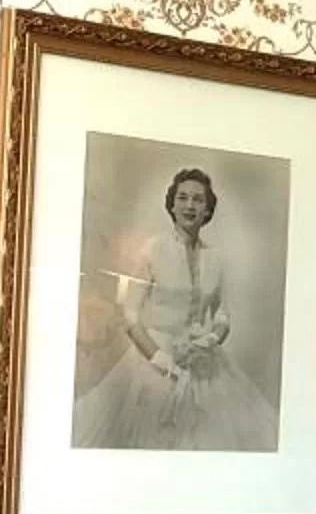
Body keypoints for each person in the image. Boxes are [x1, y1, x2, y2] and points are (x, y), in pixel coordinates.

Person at [74, 164, 279, 452]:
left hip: (203, 360)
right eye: (182, 198)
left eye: (198, 199)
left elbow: (222, 314)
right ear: (171, 204)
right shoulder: (152, 250)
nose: (189, 205)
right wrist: (160, 359)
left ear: (208, 210)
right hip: (153, 363)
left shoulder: (217, 259)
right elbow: (130, 315)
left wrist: (209, 339)